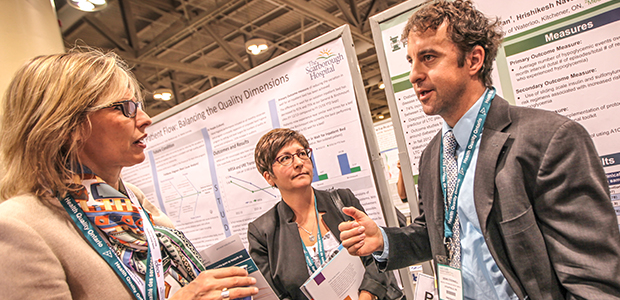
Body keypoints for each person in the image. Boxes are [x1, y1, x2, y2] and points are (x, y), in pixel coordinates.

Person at [338, 0, 620, 299]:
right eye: (411, 61)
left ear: (473, 60)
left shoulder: (549, 139)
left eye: (429, 57)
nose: (414, 75)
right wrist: (383, 240)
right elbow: (434, 234)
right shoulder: (434, 154)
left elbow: (592, 279)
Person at [0, 49, 259, 300]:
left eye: (138, 106)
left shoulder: (132, 200)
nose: (145, 119)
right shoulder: (19, 225)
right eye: (125, 108)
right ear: (67, 124)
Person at [247, 128, 402, 300]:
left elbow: (375, 255)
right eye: (285, 158)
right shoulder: (262, 231)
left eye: (302, 153)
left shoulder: (343, 201)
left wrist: (367, 295)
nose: (298, 162)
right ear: (269, 177)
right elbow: (272, 295)